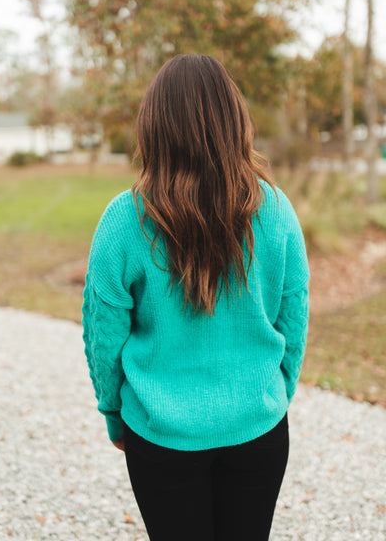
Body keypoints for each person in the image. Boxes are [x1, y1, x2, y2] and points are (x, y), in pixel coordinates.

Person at [81, 54, 310, 541]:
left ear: (154, 127)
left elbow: (104, 335)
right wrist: (276, 393)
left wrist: (114, 412)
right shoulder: (277, 210)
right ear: (235, 121)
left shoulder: (124, 220)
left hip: (159, 434)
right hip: (259, 428)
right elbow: (295, 314)